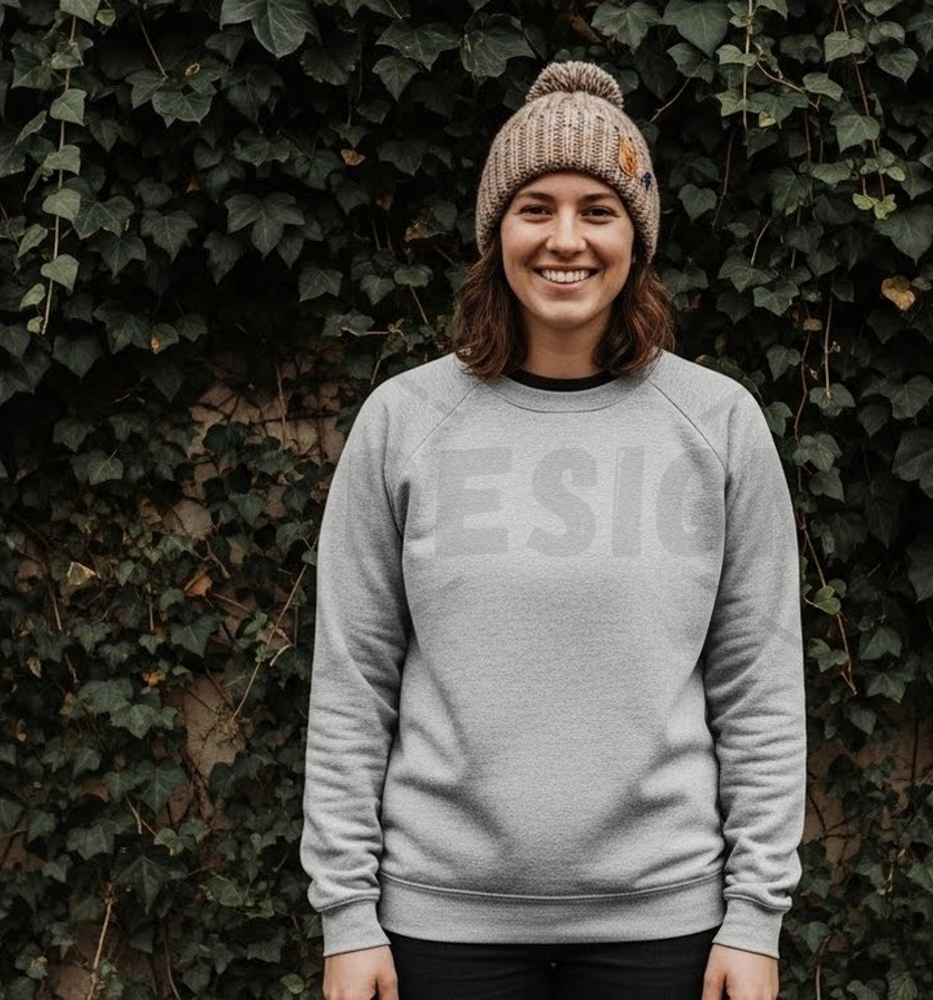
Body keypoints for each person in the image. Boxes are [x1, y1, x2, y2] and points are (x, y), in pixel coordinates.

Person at [301, 61, 806, 1000]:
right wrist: (346, 915)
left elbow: (759, 686)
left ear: (635, 239)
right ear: (497, 232)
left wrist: (756, 916)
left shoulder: (718, 424)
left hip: (666, 925)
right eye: (536, 208)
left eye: (597, 211)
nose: (565, 239)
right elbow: (352, 680)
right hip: (438, 924)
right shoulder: (404, 422)